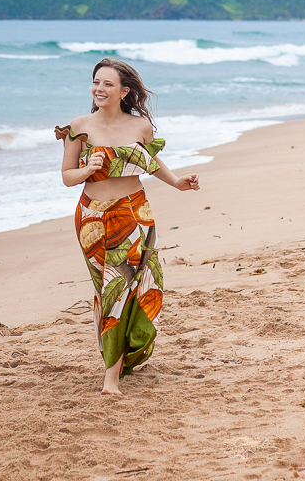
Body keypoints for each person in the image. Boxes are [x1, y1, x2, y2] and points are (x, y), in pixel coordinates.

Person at [56, 57, 200, 396]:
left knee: (134, 287)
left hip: (135, 213)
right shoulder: (79, 126)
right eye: (96, 82)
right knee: (108, 291)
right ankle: (115, 361)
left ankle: (112, 376)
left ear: (124, 91)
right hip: (92, 218)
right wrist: (87, 169)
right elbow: (67, 177)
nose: (99, 88)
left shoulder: (140, 127)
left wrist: (178, 182)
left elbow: (151, 162)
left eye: (107, 83)